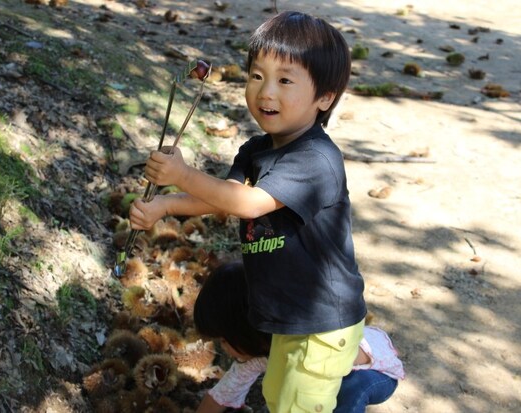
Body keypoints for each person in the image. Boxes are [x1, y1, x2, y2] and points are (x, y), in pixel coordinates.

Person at [130, 11, 366, 412]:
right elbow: (225, 197)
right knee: (278, 396)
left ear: (325, 98)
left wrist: (182, 175)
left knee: (295, 405)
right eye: (257, 76)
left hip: (322, 322)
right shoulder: (257, 149)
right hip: (287, 316)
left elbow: (250, 203)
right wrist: (165, 205)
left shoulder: (316, 159)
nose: (265, 92)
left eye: (285, 80)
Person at [193, 262, 404, 413]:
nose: (223, 348)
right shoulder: (256, 355)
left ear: (244, 330)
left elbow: (345, 360)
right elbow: (222, 394)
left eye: (224, 340)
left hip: (372, 370)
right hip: (323, 375)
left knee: (348, 389)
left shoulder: (308, 341)